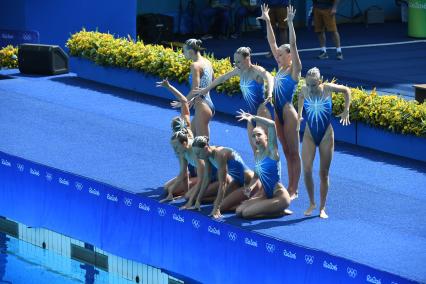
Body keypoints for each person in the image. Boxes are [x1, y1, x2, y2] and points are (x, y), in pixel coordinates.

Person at [193, 46, 274, 153]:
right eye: (235, 62)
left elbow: (269, 77)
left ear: (247, 59)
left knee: (266, 150)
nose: (236, 64)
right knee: (255, 150)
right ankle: (258, 170)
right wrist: (206, 89)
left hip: (261, 112)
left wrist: (270, 92)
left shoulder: (256, 71)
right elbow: (222, 78)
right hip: (250, 114)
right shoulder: (239, 71)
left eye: (238, 62)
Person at [258, 4, 301, 199]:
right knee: (285, 150)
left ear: (289, 55)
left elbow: (292, 44)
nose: (277, 56)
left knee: (293, 152)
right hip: (277, 112)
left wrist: (290, 24)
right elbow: (272, 41)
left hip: (288, 112)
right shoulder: (281, 68)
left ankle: (294, 188)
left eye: (281, 55)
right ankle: (290, 184)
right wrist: (267, 21)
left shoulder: (294, 69)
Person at [297, 67, 351, 218]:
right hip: (309, 133)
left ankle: (322, 207)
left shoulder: (327, 89)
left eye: (313, 85)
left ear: (320, 82)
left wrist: (346, 109)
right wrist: (300, 114)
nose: (310, 88)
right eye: (308, 85)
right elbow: (301, 97)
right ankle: (312, 203)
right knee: (306, 170)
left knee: (323, 173)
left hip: (326, 135)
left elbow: (347, 90)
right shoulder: (304, 89)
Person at [234, 110, 291, 218]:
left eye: (259, 135)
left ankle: (278, 212)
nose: (256, 138)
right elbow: (256, 177)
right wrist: (250, 188)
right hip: (267, 196)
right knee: (239, 211)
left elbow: (272, 124)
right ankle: (272, 209)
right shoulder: (257, 155)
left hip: (280, 197)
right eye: (253, 136)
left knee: (246, 214)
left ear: (266, 137)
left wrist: (254, 117)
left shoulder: (272, 152)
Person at [192, 136, 254, 219]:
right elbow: (207, 179)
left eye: (198, 153)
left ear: (206, 148)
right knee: (217, 202)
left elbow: (223, 183)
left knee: (221, 206)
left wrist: (217, 208)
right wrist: (198, 201)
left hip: (249, 183)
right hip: (237, 181)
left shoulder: (220, 155)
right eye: (195, 153)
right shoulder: (207, 155)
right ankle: (238, 200)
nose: (197, 156)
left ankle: (249, 203)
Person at [183, 39, 215, 138]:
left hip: (202, 107)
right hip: (207, 104)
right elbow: (212, 81)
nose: (183, 54)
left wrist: (183, 101)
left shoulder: (195, 65)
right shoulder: (207, 62)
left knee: (203, 147)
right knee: (190, 138)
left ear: (191, 52)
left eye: (184, 51)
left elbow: (195, 89)